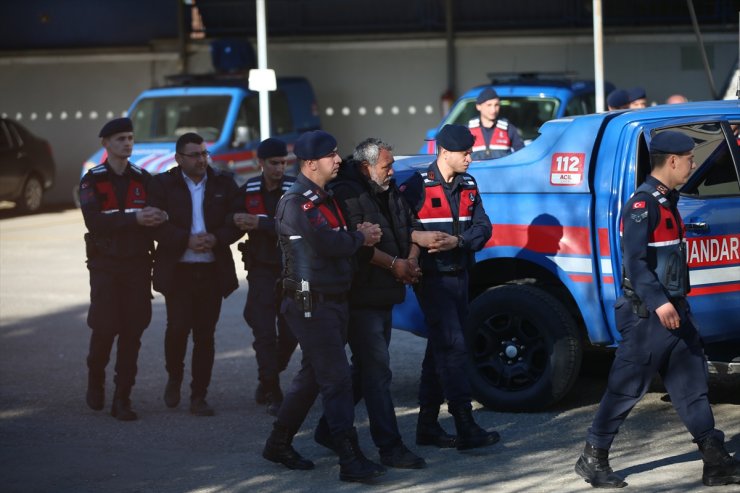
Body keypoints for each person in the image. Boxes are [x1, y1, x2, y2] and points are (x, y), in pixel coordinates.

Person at [574, 131, 740, 489]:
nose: (694, 164)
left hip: (675, 309)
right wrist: (660, 302)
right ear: (673, 161)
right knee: (626, 387)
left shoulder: (668, 200)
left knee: (692, 384)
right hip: (647, 315)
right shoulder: (642, 205)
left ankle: (714, 460)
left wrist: (674, 302)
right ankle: (593, 457)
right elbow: (633, 263)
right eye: (691, 158)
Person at [261, 130, 386, 483]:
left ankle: (278, 442)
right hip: (308, 297)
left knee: (313, 376)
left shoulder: (325, 198)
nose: (337, 160)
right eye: (331, 155)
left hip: (331, 296)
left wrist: (355, 234)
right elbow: (324, 243)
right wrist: (361, 237)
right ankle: (350, 457)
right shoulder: (297, 202)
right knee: (336, 378)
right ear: (310, 163)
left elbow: (338, 236)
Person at [311, 138, 426, 469]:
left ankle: (327, 430)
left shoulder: (387, 188)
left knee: (366, 371)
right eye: (386, 166)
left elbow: (411, 226)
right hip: (361, 295)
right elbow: (355, 244)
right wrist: (394, 265)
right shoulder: (347, 193)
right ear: (366, 166)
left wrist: (411, 259)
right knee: (377, 372)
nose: (392, 172)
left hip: (386, 291)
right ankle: (390, 447)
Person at [400, 124, 500, 451]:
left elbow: (484, 228)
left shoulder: (469, 184)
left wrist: (459, 240)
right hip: (432, 279)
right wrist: (419, 240)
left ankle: (426, 426)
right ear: (444, 152)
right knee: (454, 347)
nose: (471, 158)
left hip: (461, 275)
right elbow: (400, 229)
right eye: (465, 153)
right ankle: (464, 423)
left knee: (439, 348)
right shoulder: (416, 186)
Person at [147, 132, 241, 417]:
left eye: (204, 153)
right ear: (179, 158)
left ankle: (199, 395)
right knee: (177, 329)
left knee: (205, 335)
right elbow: (153, 224)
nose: (202, 159)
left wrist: (216, 238)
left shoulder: (223, 182)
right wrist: (184, 239)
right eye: (195, 155)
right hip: (178, 270)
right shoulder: (162, 184)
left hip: (212, 270)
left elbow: (237, 221)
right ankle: (174, 377)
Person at [80, 117, 167, 421]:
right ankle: (96, 376)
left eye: (130, 138)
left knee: (133, 331)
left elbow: (154, 216)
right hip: (105, 265)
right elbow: (94, 221)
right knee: (105, 328)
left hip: (137, 265)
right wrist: (135, 219)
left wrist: (159, 217)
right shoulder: (93, 179)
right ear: (106, 144)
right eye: (120, 139)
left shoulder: (144, 178)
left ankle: (122, 398)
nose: (127, 143)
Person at [233, 138, 297, 416]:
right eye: (274, 163)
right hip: (260, 270)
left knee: (292, 332)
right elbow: (231, 220)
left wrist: (261, 223)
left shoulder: (294, 189)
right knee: (263, 332)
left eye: (283, 162)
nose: (280, 168)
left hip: (293, 270)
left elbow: (297, 226)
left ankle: (268, 374)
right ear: (260, 163)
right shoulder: (248, 190)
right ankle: (272, 388)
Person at [468, 87, 524, 160]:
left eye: (496, 105)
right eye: (489, 105)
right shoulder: (468, 131)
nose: (493, 110)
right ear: (478, 106)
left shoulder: (508, 129)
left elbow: (522, 156)